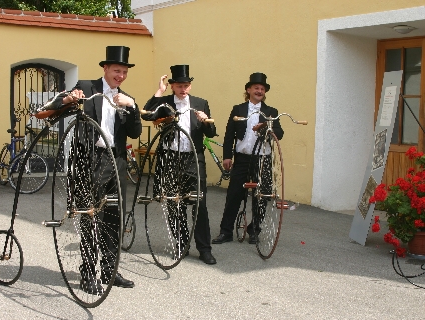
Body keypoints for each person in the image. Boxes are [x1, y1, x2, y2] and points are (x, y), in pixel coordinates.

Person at [53, 46, 142, 294]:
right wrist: (71, 98)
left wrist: (132, 106)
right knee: (91, 217)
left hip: (116, 162)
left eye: (124, 72)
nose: (120, 76)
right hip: (91, 160)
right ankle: (88, 272)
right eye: (117, 70)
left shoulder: (126, 97)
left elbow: (135, 133)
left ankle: (110, 271)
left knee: (114, 217)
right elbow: (61, 102)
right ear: (105, 69)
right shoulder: (86, 86)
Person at [142, 65, 217, 265]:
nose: (183, 89)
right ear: (172, 86)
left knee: (199, 204)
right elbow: (147, 114)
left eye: (186, 85)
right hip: (170, 159)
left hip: (193, 159)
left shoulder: (201, 103)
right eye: (179, 86)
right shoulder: (165, 102)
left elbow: (211, 133)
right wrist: (159, 91)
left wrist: (206, 121)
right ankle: (181, 244)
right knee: (176, 203)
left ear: (190, 86)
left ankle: (204, 249)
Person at [213, 72, 284, 245]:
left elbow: (280, 134)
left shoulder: (271, 111)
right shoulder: (238, 109)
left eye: (262, 89)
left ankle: (254, 230)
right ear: (249, 89)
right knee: (234, 195)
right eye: (256, 88)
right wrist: (227, 156)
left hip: (263, 159)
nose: (259, 91)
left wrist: (267, 126)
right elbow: (229, 134)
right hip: (242, 158)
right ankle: (226, 231)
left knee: (261, 196)